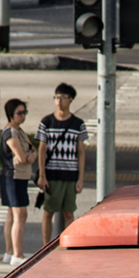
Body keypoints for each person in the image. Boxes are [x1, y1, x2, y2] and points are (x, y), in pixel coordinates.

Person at [36, 83, 88, 242]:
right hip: (52, 174)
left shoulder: (78, 124)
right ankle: (45, 245)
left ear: (70, 99)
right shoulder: (47, 122)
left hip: (70, 175)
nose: (59, 101)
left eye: (63, 97)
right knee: (48, 211)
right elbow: (42, 150)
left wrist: (80, 179)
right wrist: (42, 175)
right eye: (57, 97)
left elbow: (80, 152)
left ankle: (67, 243)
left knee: (69, 212)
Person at [0, 98, 37, 267]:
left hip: (20, 177)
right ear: (10, 115)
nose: (23, 116)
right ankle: (17, 254)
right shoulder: (10, 133)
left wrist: (31, 155)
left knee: (12, 215)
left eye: (24, 112)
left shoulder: (19, 131)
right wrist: (30, 157)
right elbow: (22, 157)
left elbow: (32, 149)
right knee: (20, 214)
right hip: (13, 177)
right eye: (19, 113)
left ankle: (9, 252)